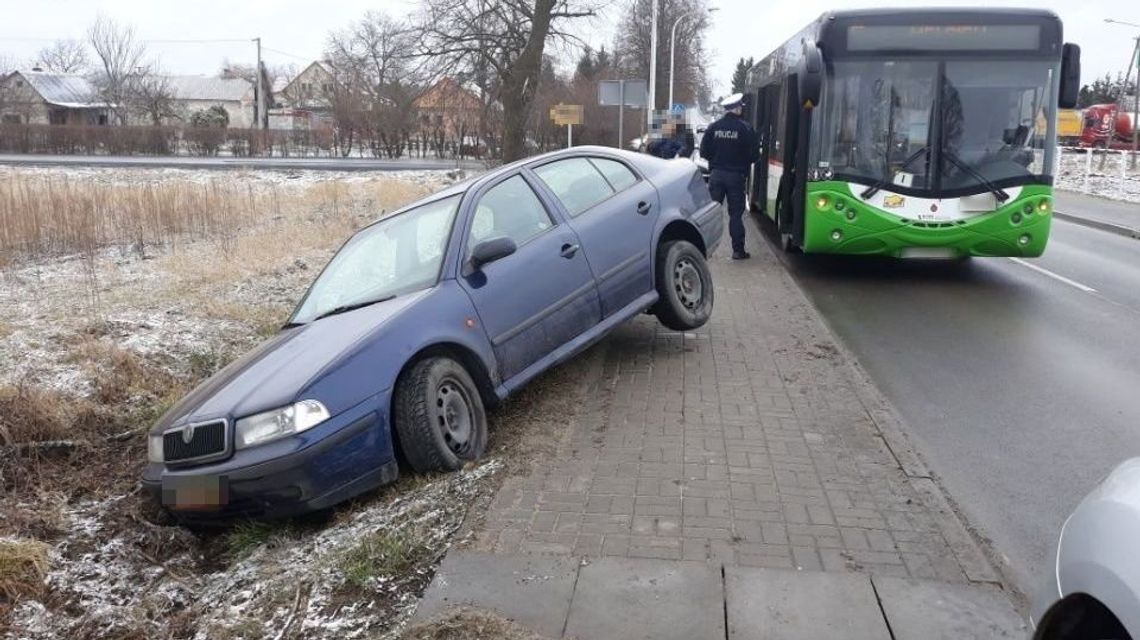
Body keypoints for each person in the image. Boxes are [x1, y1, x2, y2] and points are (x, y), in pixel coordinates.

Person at [700, 93, 759, 259]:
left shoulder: (714, 127)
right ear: (738, 108)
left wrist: (717, 160)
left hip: (716, 175)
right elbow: (754, 155)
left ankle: (703, 248)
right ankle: (738, 251)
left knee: (712, 213)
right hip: (736, 177)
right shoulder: (745, 128)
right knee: (735, 215)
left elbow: (704, 152)